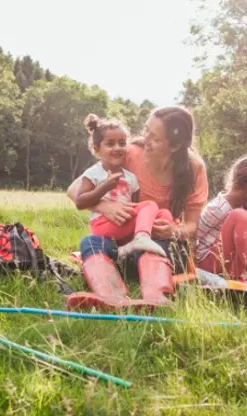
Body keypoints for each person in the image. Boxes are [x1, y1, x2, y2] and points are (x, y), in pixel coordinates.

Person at [65, 106, 209, 310]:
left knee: (157, 245)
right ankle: (111, 297)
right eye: (146, 130)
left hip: (160, 244)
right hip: (123, 245)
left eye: (155, 138)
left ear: (175, 145)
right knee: (90, 243)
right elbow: (73, 190)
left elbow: (192, 225)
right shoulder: (129, 153)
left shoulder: (194, 169)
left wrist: (174, 231)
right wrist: (105, 206)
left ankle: (156, 297)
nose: (145, 139)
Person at [73, 114, 169, 258]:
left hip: (122, 225)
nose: (117, 148)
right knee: (150, 205)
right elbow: (80, 202)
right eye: (110, 144)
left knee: (164, 214)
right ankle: (142, 239)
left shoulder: (130, 178)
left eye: (122, 143)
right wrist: (104, 187)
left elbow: (134, 207)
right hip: (103, 225)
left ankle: (137, 249)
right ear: (96, 149)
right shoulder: (93, 173)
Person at [195, 155, 247, 281]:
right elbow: (192, 237)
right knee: (239, 215)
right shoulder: (217, 208)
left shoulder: (242, 205)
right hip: (209, 265)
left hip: (231, 263)